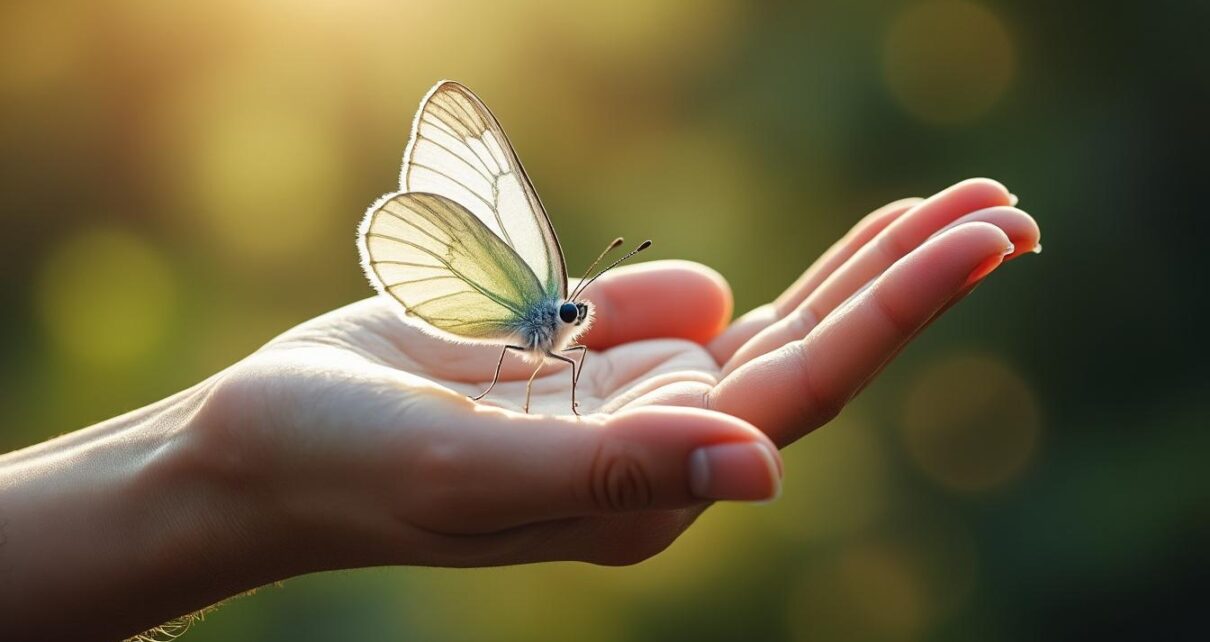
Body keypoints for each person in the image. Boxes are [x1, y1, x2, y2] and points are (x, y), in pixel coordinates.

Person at [0, 179, 1039, 640]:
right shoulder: (542, 307)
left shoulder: (560, 318)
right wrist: (214, 471)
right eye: (579, 305)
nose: (583, 312)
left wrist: (204, 467)